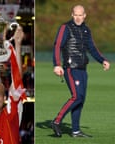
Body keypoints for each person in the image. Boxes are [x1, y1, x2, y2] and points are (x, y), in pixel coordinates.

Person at [51, 5, 110, 138]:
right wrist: (57, 65)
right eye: (75, 15)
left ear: (85, 16)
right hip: (71, 68)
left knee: (80, 99)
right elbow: (57, 45)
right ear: (72, 14)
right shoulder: (65, 27)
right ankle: (57, 121)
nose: (78, 18)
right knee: (77, 96)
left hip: (83, 69)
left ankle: (76, 131)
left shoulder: (86, 30)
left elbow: (92, 48)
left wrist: (103, 60)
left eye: (80, 15)